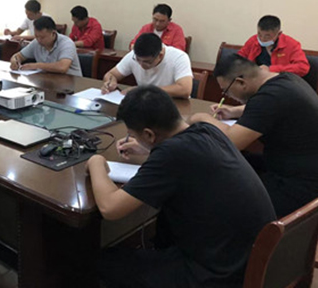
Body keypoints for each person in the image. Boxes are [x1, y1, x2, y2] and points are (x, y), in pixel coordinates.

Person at [88, 86, 275, 288]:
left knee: (105, 261)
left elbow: (110, 208)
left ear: (149, 135)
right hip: (252, 259)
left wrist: (96, 162)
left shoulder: (170, 156)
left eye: (132, 134)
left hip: (219, 275)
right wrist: (150, 150)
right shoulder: (208, 130)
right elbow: (188, 159)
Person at [190, 54, 318, 218]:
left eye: (226, 91)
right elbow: (267, 107)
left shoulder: (270, 97)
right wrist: (233, 111)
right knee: (235, 161)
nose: (227, 96)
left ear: (241, 82)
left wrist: (203, 118)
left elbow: (231, 140)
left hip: (298, 184)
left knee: (220, 189)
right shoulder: (286, 80)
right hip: (297, 164)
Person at [102, 33, 192, 98]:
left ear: (160, 56)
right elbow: (111, 74)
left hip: (174, 104)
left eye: (147, 62)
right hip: (146, 103)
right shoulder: (133, 55)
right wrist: (110, 82)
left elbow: (185, 89)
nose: (141, 65)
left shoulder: (179, 57)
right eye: (138, 60)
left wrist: (144, 90)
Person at [238, 15, 309, 77]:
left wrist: (271, 69)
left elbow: (303, 67)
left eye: (267, 36)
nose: (262, 39)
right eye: (259, 34)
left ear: (279, 34)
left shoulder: (291, 44)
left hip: (280, 80)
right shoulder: (253, 40)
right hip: (255, 79)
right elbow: (238, 58)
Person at [10, 16, 82, 76]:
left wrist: (36, 65)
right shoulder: (36, 42)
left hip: (72, 83)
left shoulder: (67, 43)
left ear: (53, 33)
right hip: (49, 81)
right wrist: (14, 60)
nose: (39, 40)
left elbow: (62, 67)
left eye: (42, 37)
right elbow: (18, 56)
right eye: (36, 36)